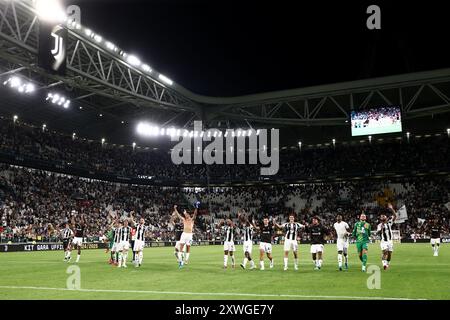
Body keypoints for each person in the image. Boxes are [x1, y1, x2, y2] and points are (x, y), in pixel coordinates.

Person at [173, 204, 198, 268]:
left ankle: (186, 260)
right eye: (185, 214)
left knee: (188, 247)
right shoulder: (184, 220)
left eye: (186, 214)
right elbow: (178, 215)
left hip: (189, 235)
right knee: (181, 247)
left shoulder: (192, 220)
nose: (185, 215)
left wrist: (196, 208)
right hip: (184, 234)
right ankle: (181, 262)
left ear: (189, 216)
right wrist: (175, 209)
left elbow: (195, 214)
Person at [377, 203, 397, 270]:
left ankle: (387, 263)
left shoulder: (389, 223)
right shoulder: (379, 225)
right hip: (384, 241)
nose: (382, 217)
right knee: (385, 252)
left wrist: (391, 209)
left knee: (389, 254)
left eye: (383, 216)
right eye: (381, 217)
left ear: (386, 217)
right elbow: (378, 233)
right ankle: (384, 264)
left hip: (390, 241)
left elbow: (395, 216)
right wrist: (381, 228)